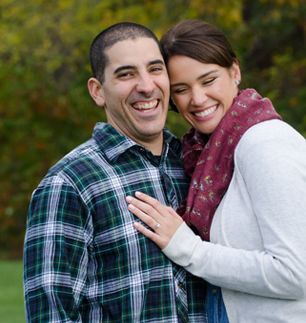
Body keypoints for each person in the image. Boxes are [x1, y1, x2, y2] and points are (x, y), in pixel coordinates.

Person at [126, 19, 306, 322]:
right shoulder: (207, 154)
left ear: (235, 71)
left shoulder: (265, 144)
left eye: (208, 80)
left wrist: (188, 249)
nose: (198, 98)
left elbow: (293, 274)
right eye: (181, 89)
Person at [23, 22, 207, 322]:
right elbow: (51, 315)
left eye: (155, 69)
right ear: (98, 91)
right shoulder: (70, 183)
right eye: (126, 74)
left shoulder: (196, 165)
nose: (146, 86)